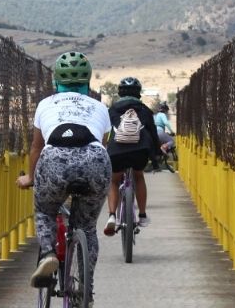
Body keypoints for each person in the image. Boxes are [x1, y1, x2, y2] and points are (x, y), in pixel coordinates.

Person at [16, 51, 112, 291]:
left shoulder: (45, 104)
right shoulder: (100, 107)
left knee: (45, 212)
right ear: (87, 81)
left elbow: (36, 148)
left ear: (56, 80)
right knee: (87, 227)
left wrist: (30, 177)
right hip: (94, 160)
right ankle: (85, 289)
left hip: (55, 160)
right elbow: (103, 145)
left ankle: (48, 253)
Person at [104, 77, 159, 235]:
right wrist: (155, 155)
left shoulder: (111, 110)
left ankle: (112, 215)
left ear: (120, 93)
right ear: (138, 93)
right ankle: (142, 215)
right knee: (138, 176)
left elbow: (104, 132)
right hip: (139, 150)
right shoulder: (145, 110)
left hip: (116, 150)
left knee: (114, 181)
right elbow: (153, 134)